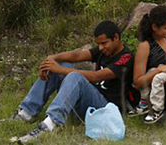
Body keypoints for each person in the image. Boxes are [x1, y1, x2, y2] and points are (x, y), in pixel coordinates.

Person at [9, 21, 137, 143]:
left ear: (116, 37)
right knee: (61, 64)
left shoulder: (126, 57)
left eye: (104, 43)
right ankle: (26, 113)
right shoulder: (104, 51)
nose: (101, 47)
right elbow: (77, 56)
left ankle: (51, 124)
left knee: (74, 76)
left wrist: (60, 69)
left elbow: (96, 76)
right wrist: (52, 58)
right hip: (88, 103)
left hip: (106, 109)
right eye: (99, 44)